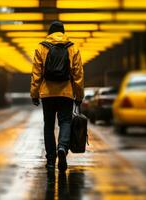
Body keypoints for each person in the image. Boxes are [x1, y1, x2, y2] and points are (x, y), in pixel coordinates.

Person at [30, 21, 84, 172]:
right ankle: (62, 147)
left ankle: (51, 160)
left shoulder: (41, 47)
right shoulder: (72, 47)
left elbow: (36, 74)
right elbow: (78, 74)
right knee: (65, 122)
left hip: (47, 94)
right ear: (63, 32)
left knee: (48, 126)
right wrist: (78, 95)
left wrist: (34, 94)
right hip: (66, 93)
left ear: (50, 32)